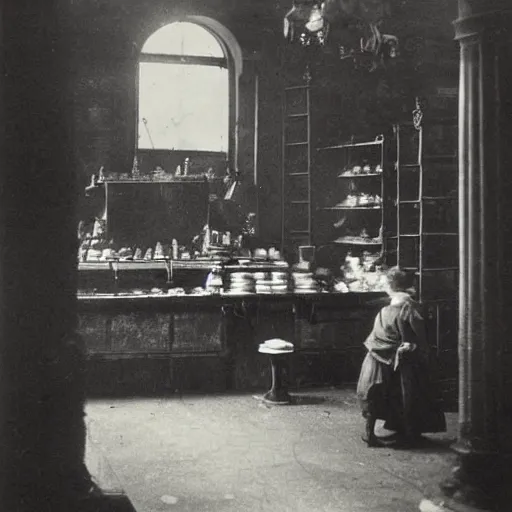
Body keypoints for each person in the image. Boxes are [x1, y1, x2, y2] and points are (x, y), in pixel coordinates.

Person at [356, 267, 446, 447]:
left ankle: (397, 432)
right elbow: (420, 337)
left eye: (385, 283)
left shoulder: (390, 310)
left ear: (390, 286)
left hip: (381, 357)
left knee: (385, 392)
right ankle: (408, 432)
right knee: (408, 393)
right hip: (400, 358)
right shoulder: (409, 307)